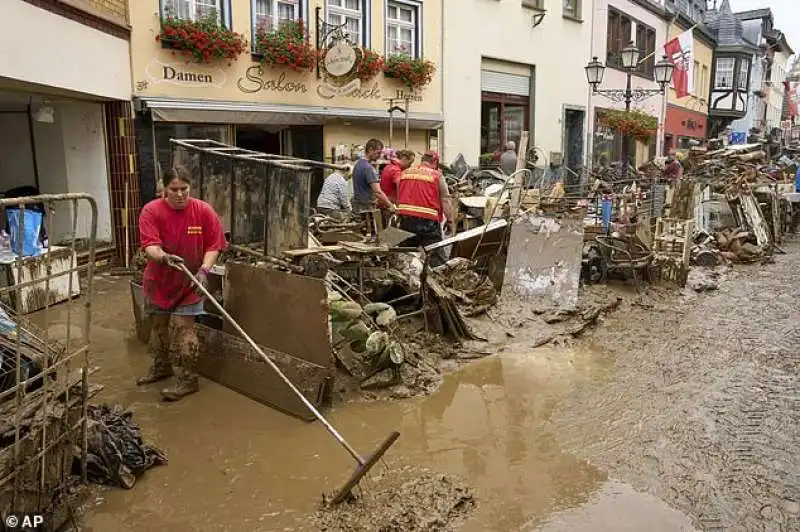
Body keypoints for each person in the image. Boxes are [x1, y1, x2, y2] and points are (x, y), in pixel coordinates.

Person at [137, 166, 227, 402]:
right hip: (159, 281)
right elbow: (150, 246)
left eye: (184, 189)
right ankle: (162, 366)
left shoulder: (203, 211)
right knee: (159, 326)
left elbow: (214, 245)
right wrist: (164, 257)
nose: (179, 195)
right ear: (163, 189)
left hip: (190, 283)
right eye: (173, 189)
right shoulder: (151, 211)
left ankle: (188, 379)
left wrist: (205, 271)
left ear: (191, 188)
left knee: (183, 328)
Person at [396, 151, 456, 266]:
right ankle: (439, 278)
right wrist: (450, 221)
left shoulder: (404, 173)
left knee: (405, 256)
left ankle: (405, 279)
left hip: (406, 221)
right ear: (435, 162)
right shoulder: (436, 176)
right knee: (435, 257)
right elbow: (445, 200)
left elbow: (400, 195)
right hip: (428, 224)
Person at [351, 138, 394, 214]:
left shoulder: (358, 164)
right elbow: (378, 192)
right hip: (366, 208)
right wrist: (390, 205)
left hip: (357, 206)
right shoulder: (368, 168)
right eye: (378, 153)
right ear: (370, 150)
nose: (379, 156)